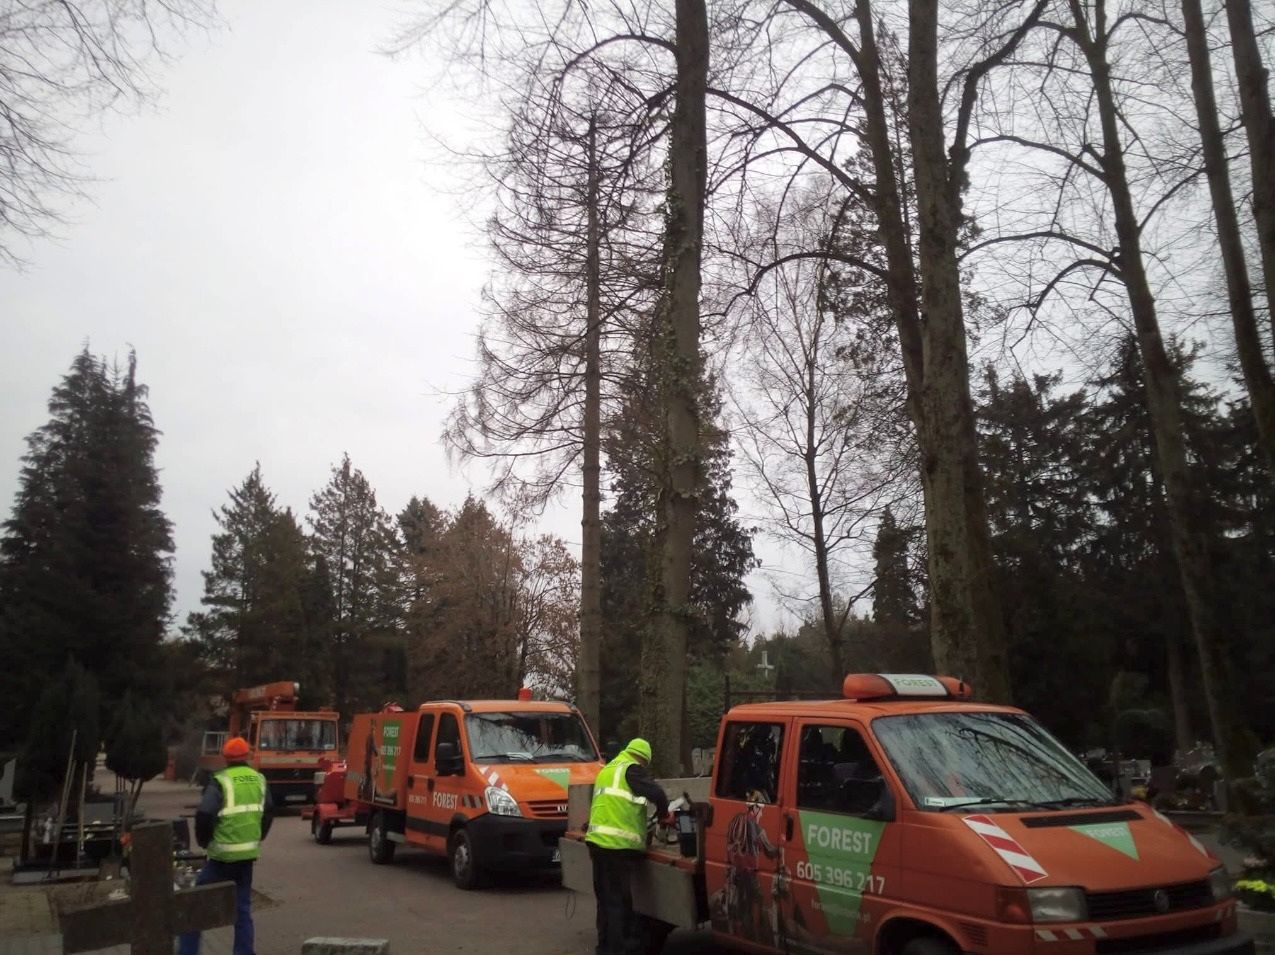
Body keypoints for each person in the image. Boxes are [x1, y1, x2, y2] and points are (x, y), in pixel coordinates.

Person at [179, 736, 274, 955]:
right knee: (242, 910)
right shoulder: (259, 779)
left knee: (194, 905)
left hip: (221, 858)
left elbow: (205, 813)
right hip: (246, 858)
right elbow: (268, 811)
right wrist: (257, 837)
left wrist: (204, 841)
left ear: (225, 758)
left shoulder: (220, 781)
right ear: (247, 756)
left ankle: (187, 951)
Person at [585, 738, 671, 955]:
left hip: (597, 843)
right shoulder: (631, 769)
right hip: (617, 846)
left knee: (604, 901)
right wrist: (664, 814)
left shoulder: (607, 770)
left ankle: (603, 948)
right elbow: (658, 794)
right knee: (619, 904)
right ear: (643, 759)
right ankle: (617, 950)